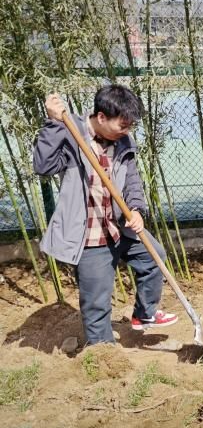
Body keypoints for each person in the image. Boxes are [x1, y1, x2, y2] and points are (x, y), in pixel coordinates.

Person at [34, 85, 178, 346]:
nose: (127, 131)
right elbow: (43, 167)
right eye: (123, 125)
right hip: (89, 234)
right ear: (101, 117)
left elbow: (132, 180)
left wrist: (136, 210)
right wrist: (53, 123)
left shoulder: (123, 141)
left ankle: (144, 314)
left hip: (119, 226)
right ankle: (102, 354)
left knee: (154, 258)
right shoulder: (71, 132)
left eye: (130, 126)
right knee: (97, 303)